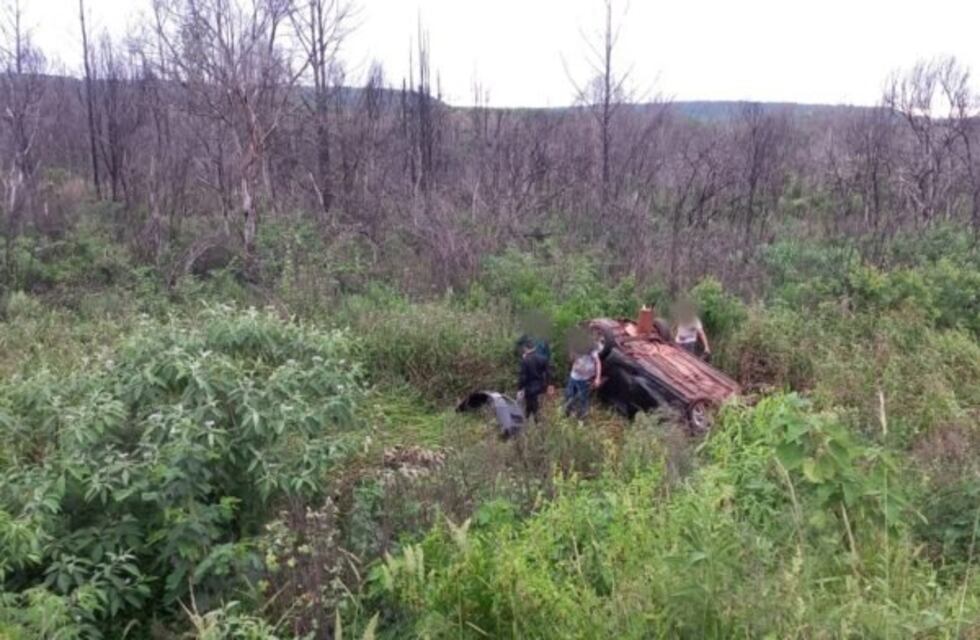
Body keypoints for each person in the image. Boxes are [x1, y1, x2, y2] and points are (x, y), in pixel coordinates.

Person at [565, 345, 602, 419]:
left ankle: (582, 417)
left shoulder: (591, 348)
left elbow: (598, 362)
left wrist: (597, 378)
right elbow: (571, 358)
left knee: (583, 399)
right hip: (574, 376)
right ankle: (570, 413)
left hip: (585, 379)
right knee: (570, 395)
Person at [517, 340, 551, 422]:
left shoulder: (525, 361)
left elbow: (523, 377)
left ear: (525, 349)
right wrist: (548, 385)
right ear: (534, 347)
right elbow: (548, 373)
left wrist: (520, 388)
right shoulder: (543, 358)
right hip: (540, 386)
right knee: (536, 404)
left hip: (529, 387)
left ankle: (531, 420)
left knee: (530, 404)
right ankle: (536, 420)